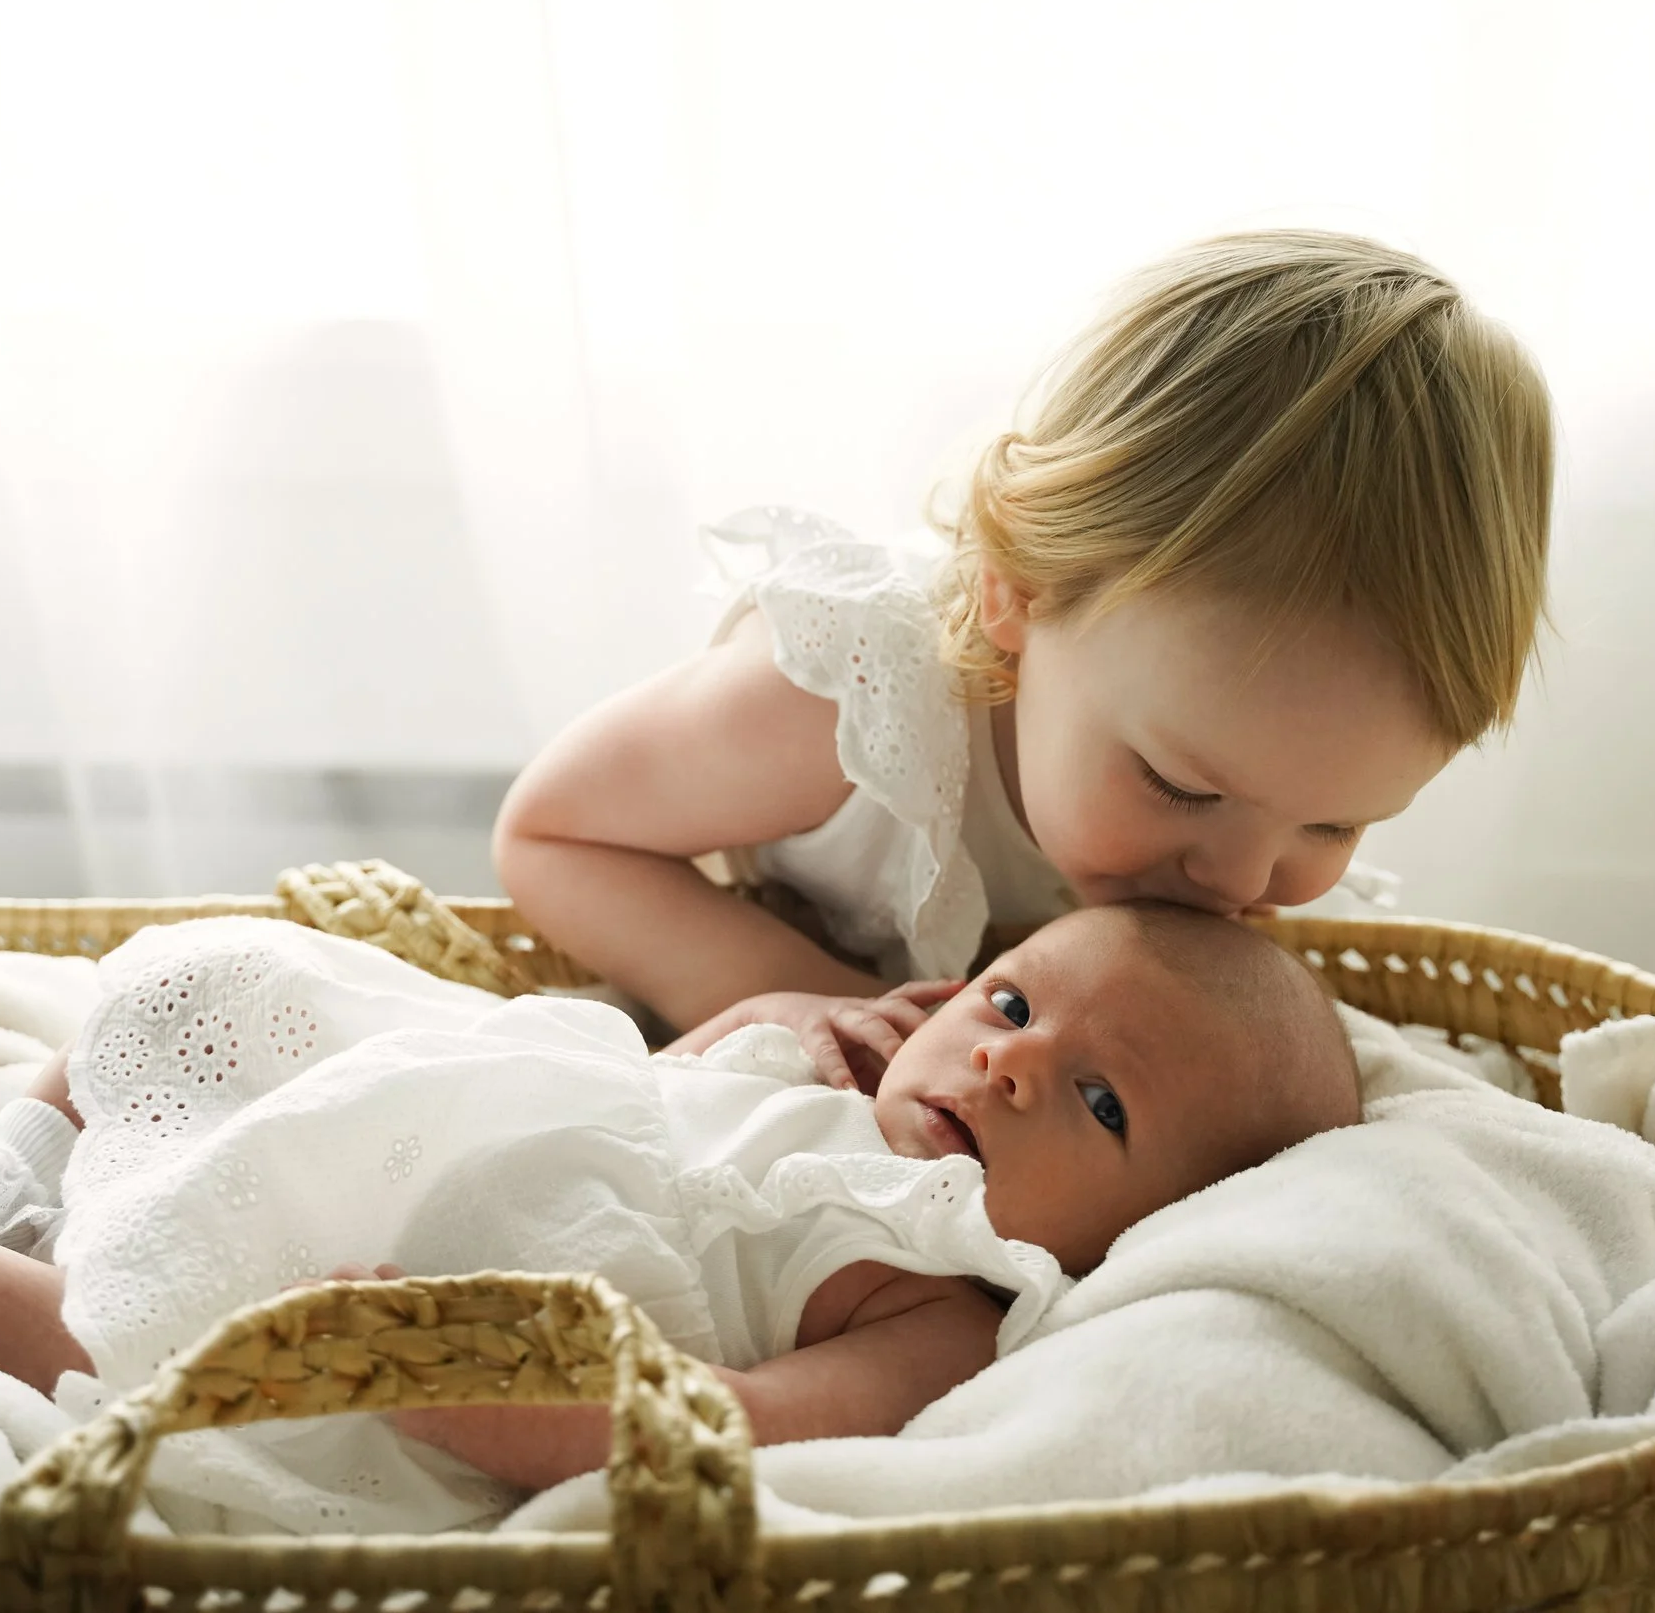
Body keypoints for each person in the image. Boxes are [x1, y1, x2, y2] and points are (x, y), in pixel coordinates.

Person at [0, 900, 1357, 1502]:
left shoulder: (937, 1296)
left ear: (1139, 1228)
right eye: (1013, 1007)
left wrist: (514, 1404)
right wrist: (760, 1034)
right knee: (223, 979)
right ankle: (20, 1170)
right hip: (403, 1116)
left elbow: (739, 1415)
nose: (1016, 1067)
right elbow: (628, 1095)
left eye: (1102, 1100)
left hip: (362, 1321)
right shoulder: (827, 1058)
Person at [493, 230, 1553, 1086]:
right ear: (1014, 594)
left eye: (1333, 822)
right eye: (1180, 785)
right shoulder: (849, 700)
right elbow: (552, 833)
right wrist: (809, 993)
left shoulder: (1221, 776)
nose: (1241, 878)